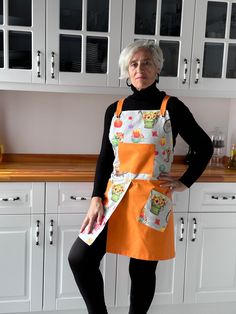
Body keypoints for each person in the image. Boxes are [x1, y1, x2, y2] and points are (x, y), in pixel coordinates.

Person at [68, 40, 213, 314]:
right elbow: (105, 158)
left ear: (157, 68)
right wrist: (96, 197)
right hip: (115, 197)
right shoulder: (116, 109)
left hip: (151, 201)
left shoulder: (172, 107)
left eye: (146, 62)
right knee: (80, 257)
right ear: (126, 70)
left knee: (141, 269)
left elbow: (204, 146)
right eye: (133, 64)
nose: (140, 69)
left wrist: (185, 182)